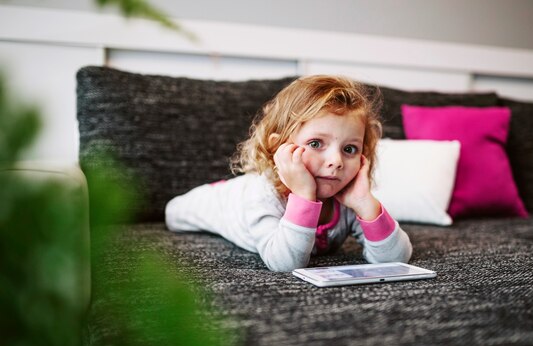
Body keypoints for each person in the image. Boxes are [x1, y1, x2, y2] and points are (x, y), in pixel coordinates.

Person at [165, 75, 412, 272]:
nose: (336, 161)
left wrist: (365, 204)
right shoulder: (262, 196)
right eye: (316, 143)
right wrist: (305, 195)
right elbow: (284, 263)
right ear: (278, 147)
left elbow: (396, 259)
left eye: (349, 149)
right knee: (174, 213)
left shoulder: (346, 200)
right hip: (226, 201)